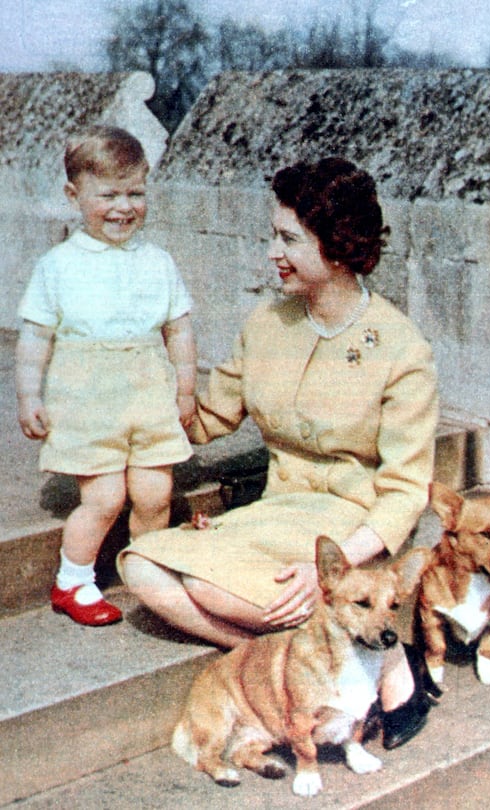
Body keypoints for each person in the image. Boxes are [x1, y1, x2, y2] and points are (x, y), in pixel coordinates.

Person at [119, 157, 439, 747]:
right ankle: (313, 664)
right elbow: (211, 416)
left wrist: (341, 558)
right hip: (275, 510)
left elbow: (405, 490)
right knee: (141, 565)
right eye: (274, 235)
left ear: (338, 246)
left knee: (207, 590)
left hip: (346, 526)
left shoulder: (400, 349)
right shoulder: (268, 321)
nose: (272, 251)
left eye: (288, 238)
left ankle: (390, 670)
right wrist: (132, 403)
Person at [16, 125, 196, 627]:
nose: (123, 207)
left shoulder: (157, 262)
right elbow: (35, 339)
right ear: (74, 195)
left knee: (156, 492)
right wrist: (29, 393)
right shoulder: (58, 266)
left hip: (148, 396)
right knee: (104, 497)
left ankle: (151, 571)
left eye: (135, 193)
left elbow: (179, 331)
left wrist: (185, 389)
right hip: (87, 399)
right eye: (108, 195)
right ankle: (73, 581)